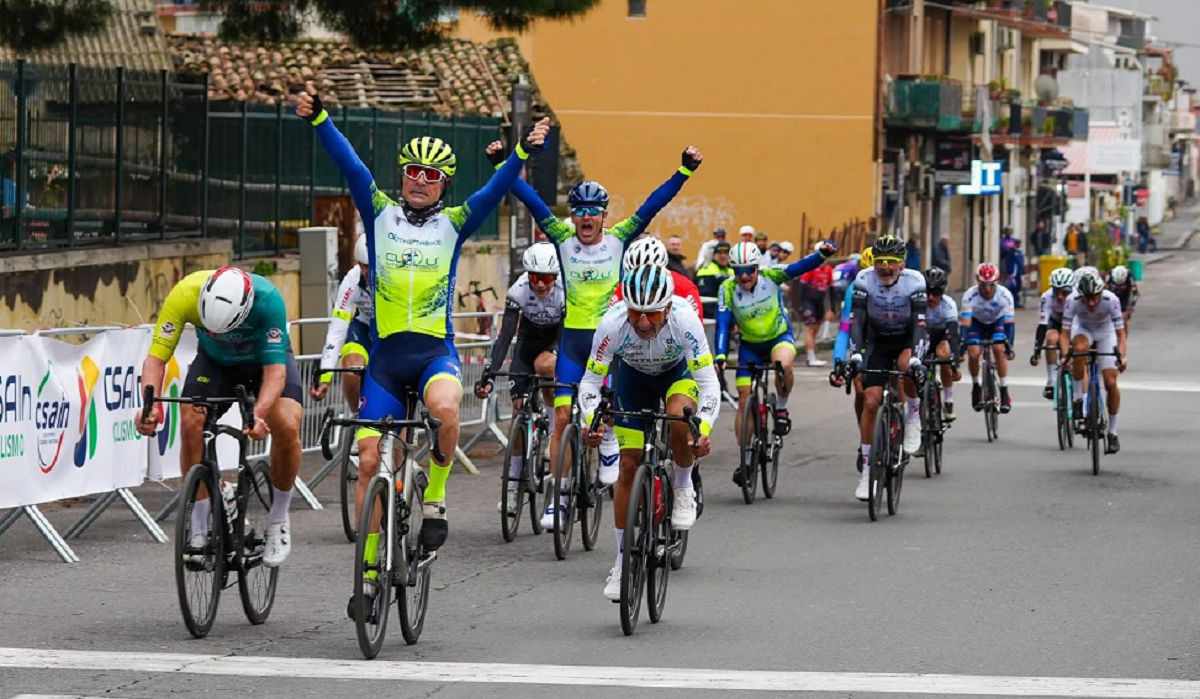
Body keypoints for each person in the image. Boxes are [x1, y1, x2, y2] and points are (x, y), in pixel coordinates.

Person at [298, 82, 549, 584]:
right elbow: (351, 166)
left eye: (431, 176)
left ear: (444, 184)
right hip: (386, 364)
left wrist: (522, 150)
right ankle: (370, 570)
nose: (420, 181)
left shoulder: (455, 223)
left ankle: (434, 499)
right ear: (403, 176)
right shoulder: (380, 212)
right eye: (413, 172)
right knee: (369, 460)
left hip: (434, 353)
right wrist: (321, 119)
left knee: (446, 408)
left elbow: (496, 189)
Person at [487, 140, 703, 531]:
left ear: (604, 216)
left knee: (614, 410)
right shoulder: (561, 238)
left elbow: (652, 205)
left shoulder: (620, 238)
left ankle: (608, 446)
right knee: (563, 417)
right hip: (572, 344)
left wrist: (683, 172)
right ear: (573, 216)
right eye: (579, 211)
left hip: (613, 343)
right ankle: (560, 497)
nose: (586, 218)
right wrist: (504, 164)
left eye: (593, 212)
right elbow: (531, 200)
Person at [137, 267, 303, 568]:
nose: (216, 333)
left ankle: (279, 518)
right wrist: (151, 407)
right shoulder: (185, 293)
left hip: (264, 362)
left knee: (287, 425)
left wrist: (257, 413)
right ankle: (200, 528)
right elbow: (155, 360)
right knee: (190, 420)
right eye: (208, 328)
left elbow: (276, 373)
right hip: (216, 362)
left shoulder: (268, 301)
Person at [580, 266, 719, 600]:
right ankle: (622, 560)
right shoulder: (612, 323)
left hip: (677, 374)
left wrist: (703, 427)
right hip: (634, 376)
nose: (643, 322)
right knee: (628, 464)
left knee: (677, 418)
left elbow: (709, 383)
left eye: (652, 314)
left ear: (668, 307)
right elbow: (590, 383)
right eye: (635, 313)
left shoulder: (685, 320)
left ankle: (683, 486)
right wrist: (591, 419)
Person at [715, 240, 836, 485]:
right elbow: (723, 323)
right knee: (743, 397)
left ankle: (781, 408)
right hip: (749, 346)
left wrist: (821, 255)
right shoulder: (727, 288)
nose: (745, 276)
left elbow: (800, 267)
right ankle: (746, 458)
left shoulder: (771, 276)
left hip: (778, 338)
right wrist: (720, 355)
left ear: (758, 267)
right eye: (739, 271)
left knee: (782, 365)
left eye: (749, 269)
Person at [477, 242, 565, 513]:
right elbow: (505, 335)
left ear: (556, 277)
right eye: (534, 277)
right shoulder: (518, 290)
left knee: (545, 366)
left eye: (546, 278)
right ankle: (513, 486)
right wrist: (489, 374)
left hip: (555, 339)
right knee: (518, 413)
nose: (540, 284)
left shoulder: (564, 292)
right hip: (528, 340)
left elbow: (565, 335)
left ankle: (552, 429)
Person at [845, 235, 928, 500]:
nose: (884, 267)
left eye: (891, 262)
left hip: (905, 337)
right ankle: (867, 470)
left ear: (902, 263)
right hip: (877, 339)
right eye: (880, 262)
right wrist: (855, 355)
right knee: (870, 401)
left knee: (907, 365)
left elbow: (920, 324)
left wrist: (917, 358)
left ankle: (913, 418)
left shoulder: (915, 281)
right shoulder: (863, 280)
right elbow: (856, 322)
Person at [1060, 270, 1127, 454]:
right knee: (1079, 350)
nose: (1090, 303)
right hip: (1083, 329)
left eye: (1093, 298)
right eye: (1086, 298)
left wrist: (1122, 356)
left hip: (1106, 332)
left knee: (1111, 382)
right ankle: (1078, 400)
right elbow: (1064, 335)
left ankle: (1112, 433)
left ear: (1101, 292)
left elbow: (1121, 334)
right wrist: (1066, 356)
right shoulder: (1072, 300)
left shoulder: (1111, 300)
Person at [312, 234, 374, 410]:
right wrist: (325, 375)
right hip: (364, 327)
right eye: (363, 266)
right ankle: (358, 419)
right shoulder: (352, 280)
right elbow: (337, 331)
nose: (368, 272)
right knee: (351, 371)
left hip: (392, 333)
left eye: (373, 266)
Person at [829, 248, 874, 471]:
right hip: (864, 339)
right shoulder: (854, 290)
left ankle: (899, 422)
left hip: (890, 337)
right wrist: (837, 362)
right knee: (860, 387)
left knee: (900, 377)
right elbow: (845, 330)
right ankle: (864, 435)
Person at [960, 262, 1016, 414]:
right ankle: (976, 386)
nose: (987, 289)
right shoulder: (969, 295)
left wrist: (1010, 347)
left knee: (999, 348)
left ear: (996, 282)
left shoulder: (1005, 295)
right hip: (976, 324)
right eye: (983, 284)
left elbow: (1010, 324)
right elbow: (965, 324)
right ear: (978, 281)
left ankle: (1004, 391)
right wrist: (962, 347)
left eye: (991, 285)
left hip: (997, 322)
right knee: (973, 352)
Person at [612, 237, 703, 318]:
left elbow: (696, 325)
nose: (643, 279)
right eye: (637, 273)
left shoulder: (684, 286)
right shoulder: (624, 286)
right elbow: (611, 322)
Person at [922, 267, 962, 424]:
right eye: (927, 292)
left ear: (942, 292)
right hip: (922, 336)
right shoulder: (917, 302)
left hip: (941, 337)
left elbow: (952, 336)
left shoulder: (948, 305)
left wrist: (955, 365)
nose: (931, 297)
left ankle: (949, 401)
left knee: (944, 355)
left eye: (936, 293)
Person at [1030, 267, 1076, 399]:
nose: (1060, 296)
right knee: (1050, 340)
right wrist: (1037, 352)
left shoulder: (1078, 296)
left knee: (1076, 342)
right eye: (1056, 291)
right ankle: (1051, 380)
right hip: (1056, 322)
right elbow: (1042, 326)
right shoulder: (1047, 297)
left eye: (1065, 292)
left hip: (1075, 322)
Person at [798, 248, 833, 367]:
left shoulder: (829, 269)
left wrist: (832, 306)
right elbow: (802, 287)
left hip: (820, 302)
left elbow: (831, 288)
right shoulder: (811, 268)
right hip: (809, 301)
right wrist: (802, 305)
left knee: (816, 329)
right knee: (810, 329)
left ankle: (812, 355)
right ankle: (810, 357)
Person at [695, 240, 733, 318]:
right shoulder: (705, 271)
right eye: (720, 253)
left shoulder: (732, 271)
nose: (723, 256)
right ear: (714, 255)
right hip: (714, 318)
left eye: (726, 253)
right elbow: (707, 302)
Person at [1105, 265, 1138, 331]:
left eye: (1121, 284)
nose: (1119, 286)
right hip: (1112, 297)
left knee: (1123, 320)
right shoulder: (1109, 275)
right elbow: (1102, 290)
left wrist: (1130, 307)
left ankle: (1124, 338)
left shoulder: (1129, 276)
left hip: (1124, 298)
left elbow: (1135, 294)